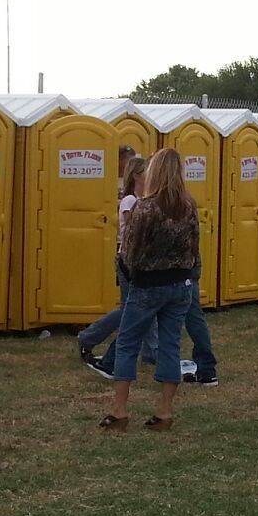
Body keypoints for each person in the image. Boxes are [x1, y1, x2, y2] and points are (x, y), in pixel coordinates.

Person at [100, 149, 199, 432]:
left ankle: (119, 410)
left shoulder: (145, 207)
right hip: (180, 284)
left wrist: (129, 272)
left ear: (154, 172)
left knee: (128, 343)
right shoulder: (189, 205)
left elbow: (129, 250)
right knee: (170, 345)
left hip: (148, 284)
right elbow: (194, 247)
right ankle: (164, 412)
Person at [80, 155, 148, 372]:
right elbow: (133, 229)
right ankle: (89, 337)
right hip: (128, 260)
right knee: (131, 310)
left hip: (139, 260)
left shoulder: (142, 199)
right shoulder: (130, 200)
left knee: (137, 309)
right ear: (138, 175)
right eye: (147, 171)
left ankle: (150, 352)